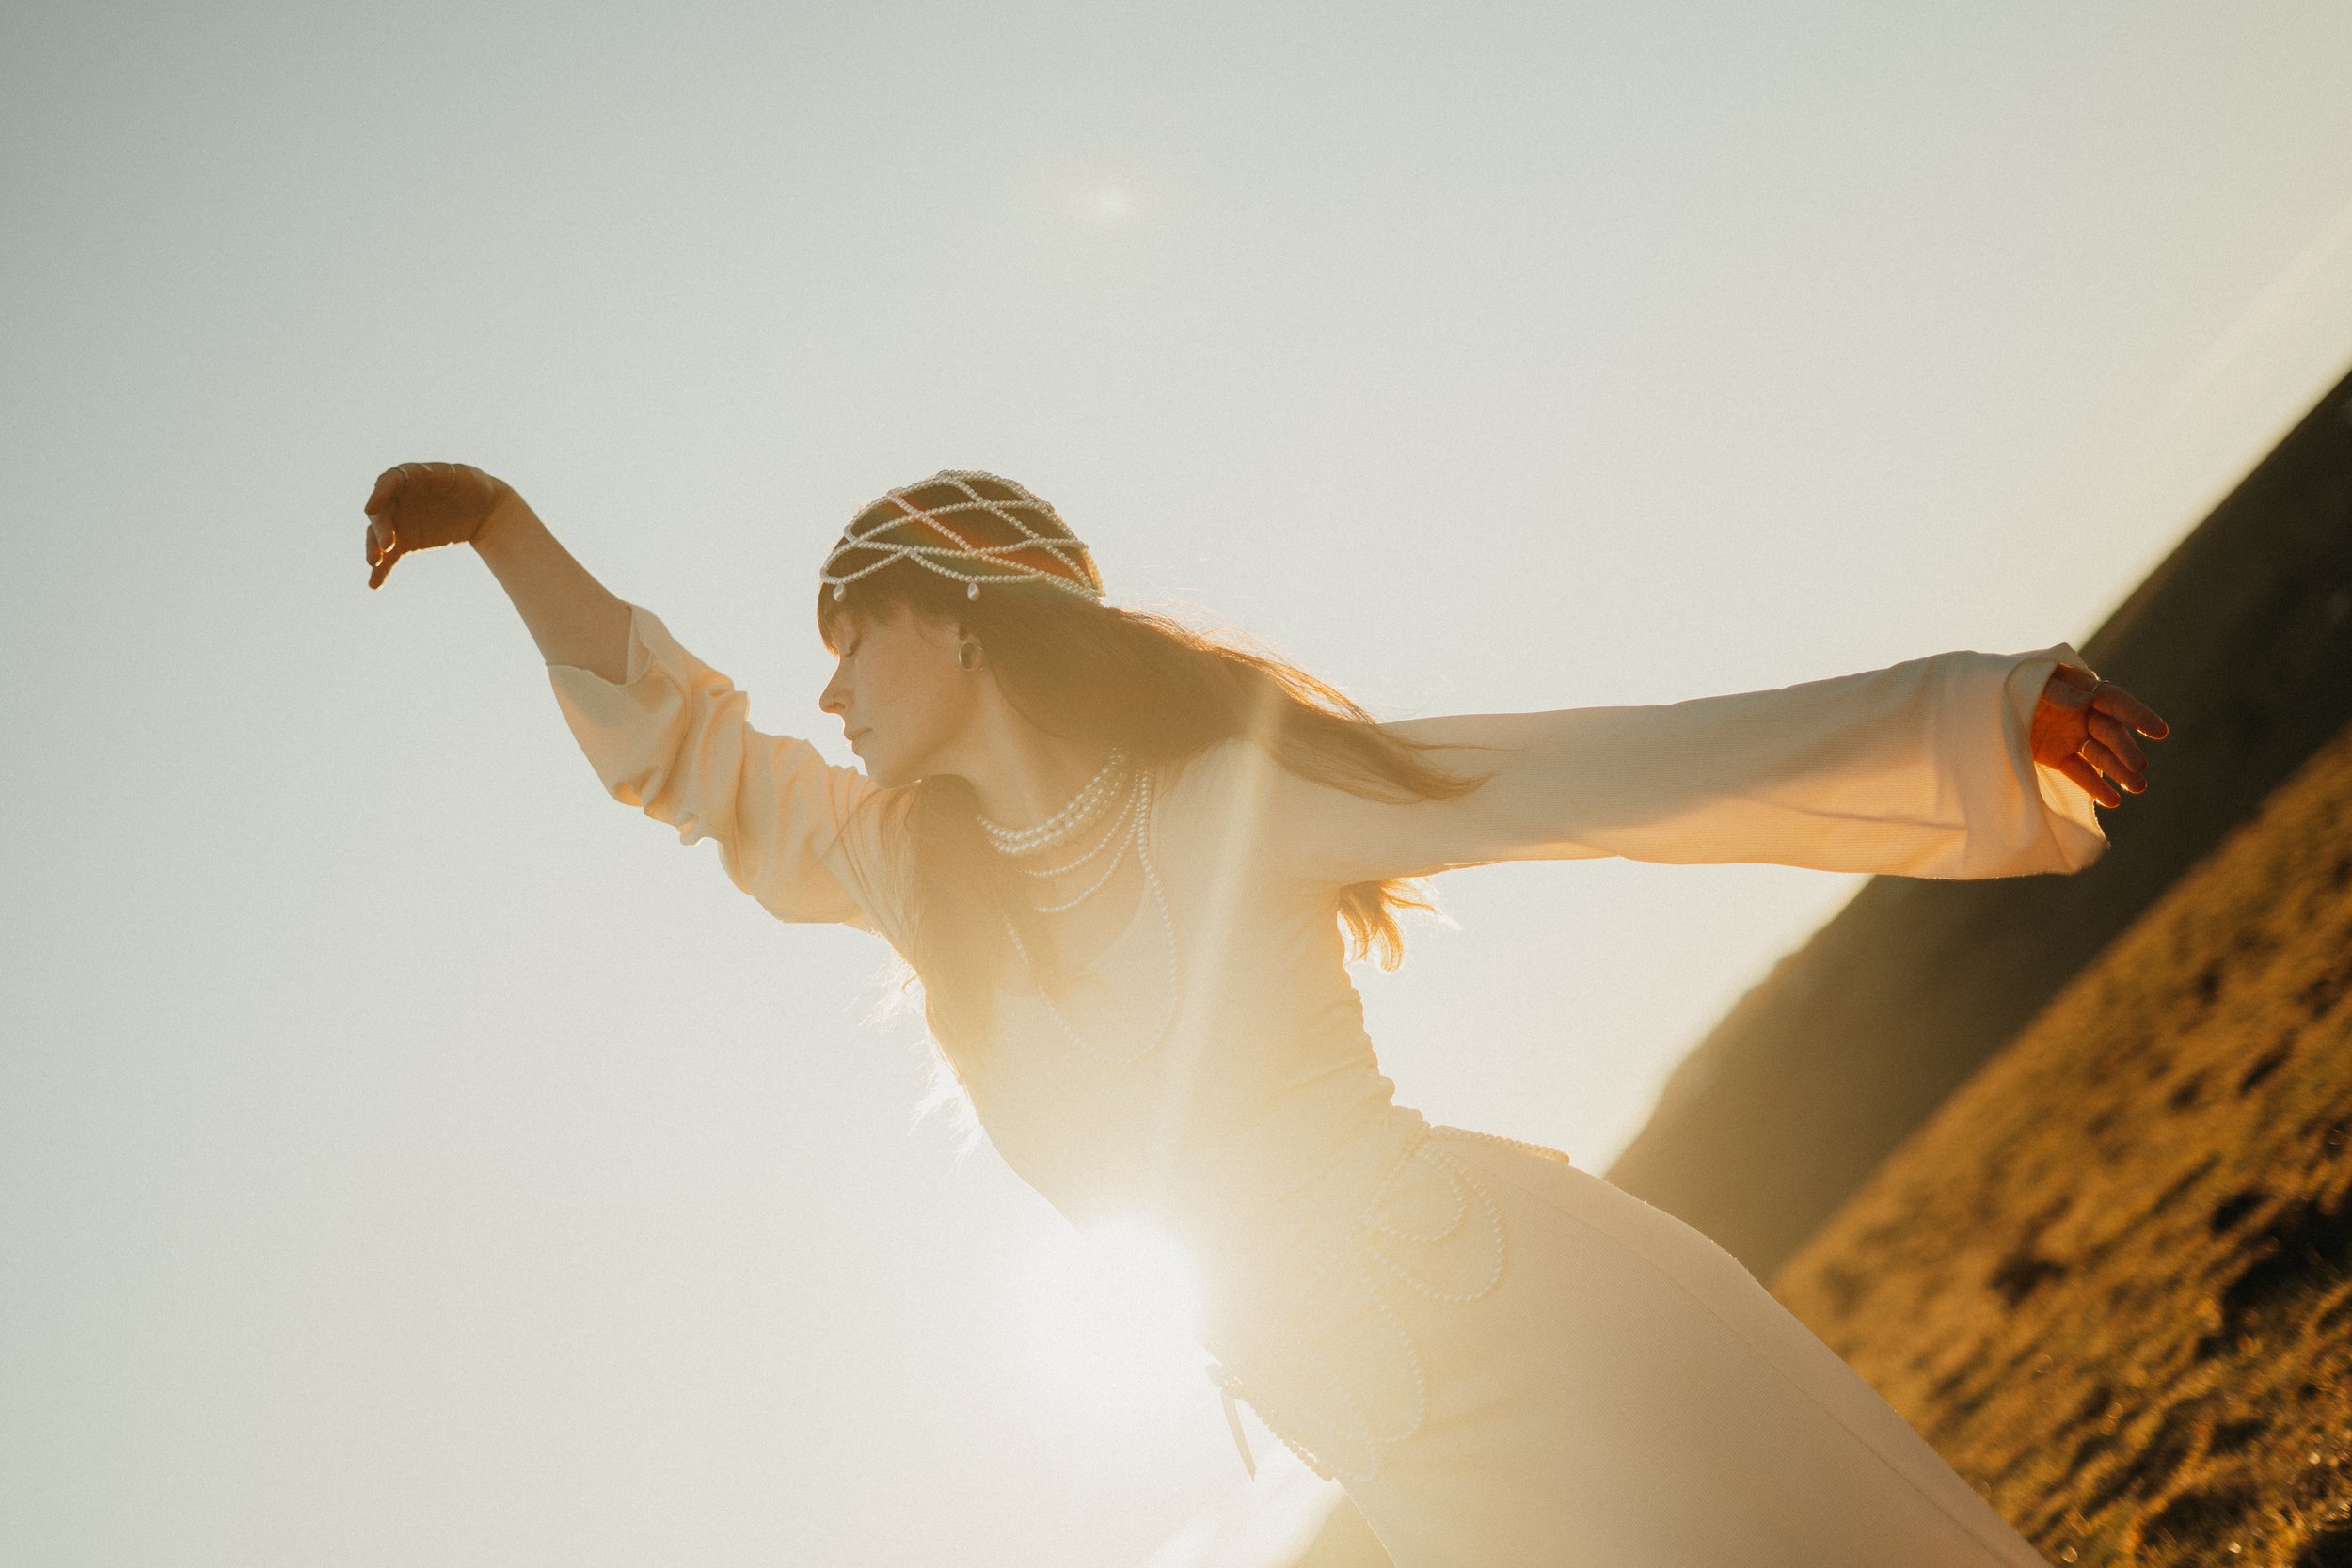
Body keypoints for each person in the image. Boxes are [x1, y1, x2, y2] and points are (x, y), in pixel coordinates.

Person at [361, 460, 2168, 1567]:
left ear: (964, 621)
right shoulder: (924, 882)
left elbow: (1608, 773)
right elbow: (691, 755)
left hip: (1524, 1317)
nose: (823, 685)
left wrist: (1973, 713)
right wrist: (500, 524)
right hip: (1366, 1416)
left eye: (852, 631)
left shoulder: (1232, 796)